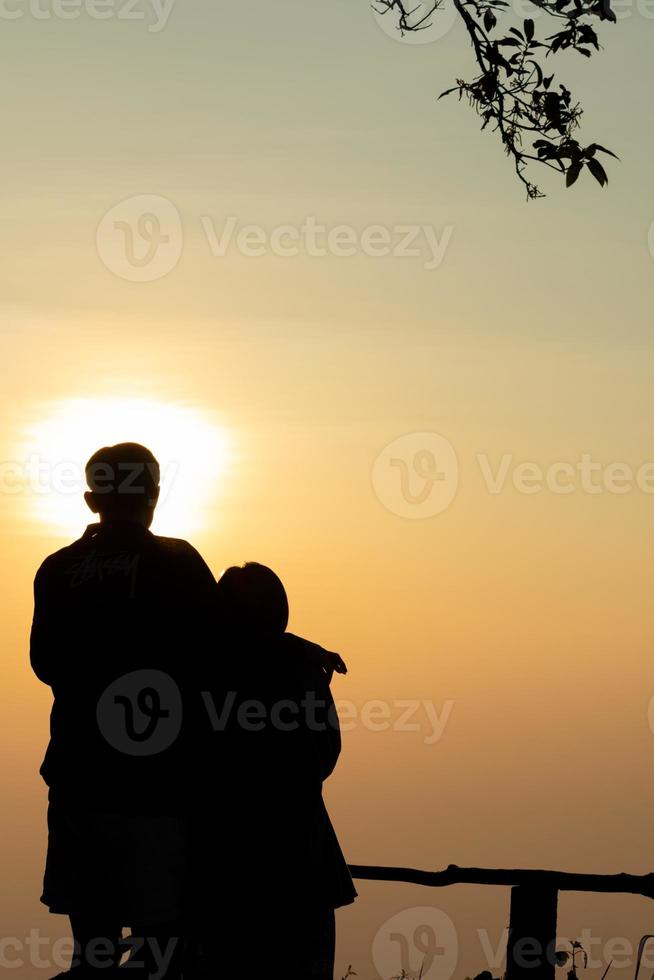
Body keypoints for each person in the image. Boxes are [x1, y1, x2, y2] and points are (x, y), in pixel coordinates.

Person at [31, 443, 217, 979]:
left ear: (92, 500)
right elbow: (219, 654)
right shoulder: (178, 561)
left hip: (78, 775)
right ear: (154, 496)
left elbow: (44, 663)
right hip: (159, 783)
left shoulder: (57, 569)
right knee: (163, 944)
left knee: (94, 945)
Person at [190, 562, 356, 980]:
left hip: (220, 866)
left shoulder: (199, 673)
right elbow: (327, 752)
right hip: (305, 862)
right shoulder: (303, 670)